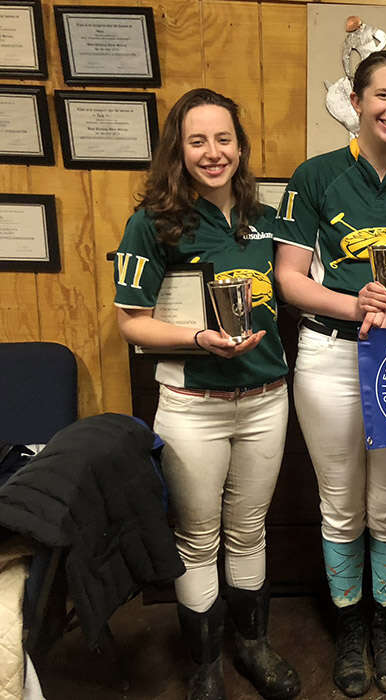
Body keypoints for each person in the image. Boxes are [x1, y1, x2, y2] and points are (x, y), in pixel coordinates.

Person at [272, 50, 386, 697]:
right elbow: (289, 277)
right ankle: (350, 626)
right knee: (340, 504)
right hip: (330, 356)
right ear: (355, 100)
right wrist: (354, 303)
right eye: (383, 95)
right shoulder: (315, 175)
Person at [114, 88, 300, 700]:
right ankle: (204, 666)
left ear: (241, 147)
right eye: (198, 141)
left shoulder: (265, 217)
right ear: (178, 149)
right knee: (198, 538)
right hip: (194, 405)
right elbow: (131, 321)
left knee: (249, 530)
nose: (213, 152)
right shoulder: (154, 221)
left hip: (268, 398)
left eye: (225, 139)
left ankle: (252, 645)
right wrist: (199, 338)